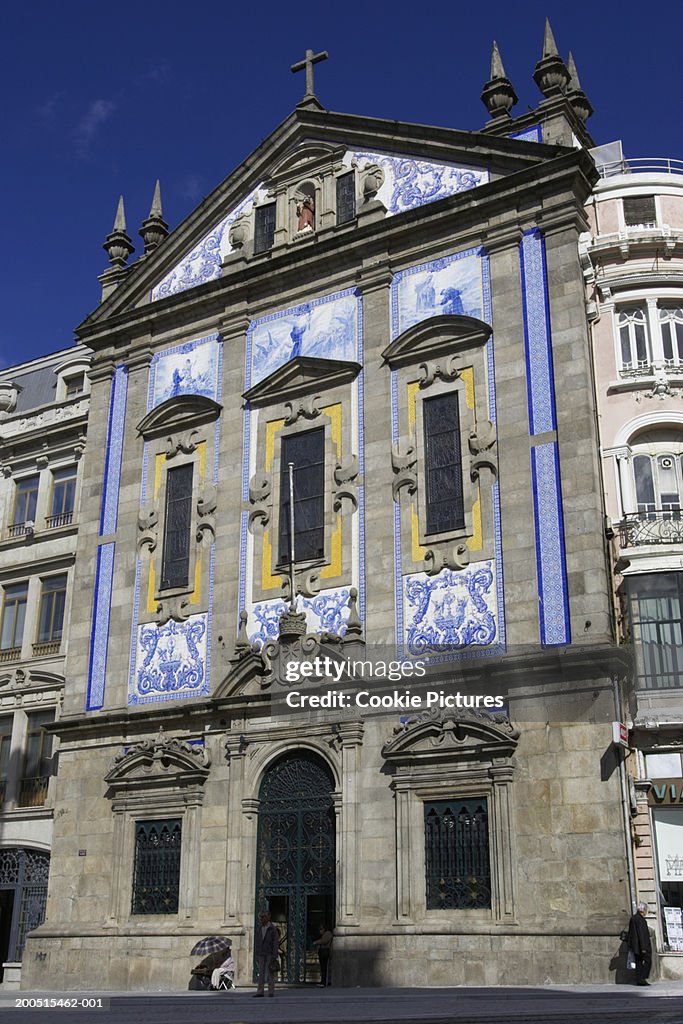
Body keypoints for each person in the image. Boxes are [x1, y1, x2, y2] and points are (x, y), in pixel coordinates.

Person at [254, 910, 279, 997]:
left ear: (268, 917)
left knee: (270, 973)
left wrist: (274, 955)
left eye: (264, 917)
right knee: (261, 973)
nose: (262, 919)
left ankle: (271, 991)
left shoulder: (272, 929)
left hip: (269, 954)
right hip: (261, 953)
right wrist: (257, 953)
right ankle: (260, 991)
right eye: (261, 917)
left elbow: (275, 942)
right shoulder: (259, 929)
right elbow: (257, 941)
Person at [627, 901, 653, 986]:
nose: (646, 912)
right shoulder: (641, 920)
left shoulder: (633, 918)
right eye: (646, 910)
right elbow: (642, 935)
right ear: (643, 910)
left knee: (638, 962)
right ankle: (642, 978)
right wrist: (644, 948)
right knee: (648, 961)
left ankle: (639, 980)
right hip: (642, 946)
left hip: (635, 946)